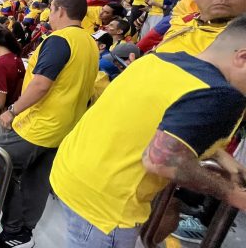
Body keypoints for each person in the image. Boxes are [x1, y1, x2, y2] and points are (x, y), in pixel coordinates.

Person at [50, 15, 246, 248]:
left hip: (70, 173)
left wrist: (225, 161)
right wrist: (233, 194)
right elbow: (162, 159)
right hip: (106, 209)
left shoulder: (156, 60)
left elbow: (164, 122)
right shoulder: (222, 96)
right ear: (242, 58)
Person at [0, 0, 99, 248]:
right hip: (63, 126)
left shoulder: (60, 40)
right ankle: (24, 233)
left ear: (60, 10)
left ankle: (13, 229)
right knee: (37, 178)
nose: (49, 15)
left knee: (1, 162)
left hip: (37, 125)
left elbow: (41, 85)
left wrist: (13, 110)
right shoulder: (89, 42)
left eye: (51, 10)